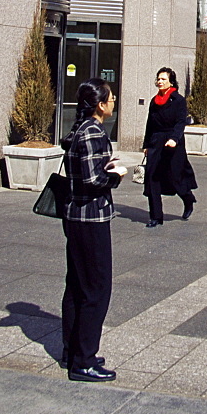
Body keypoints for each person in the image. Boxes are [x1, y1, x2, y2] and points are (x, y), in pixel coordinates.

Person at [61, 78, 127, 382]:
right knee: (96, 290)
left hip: (75, 217)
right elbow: (92, 181)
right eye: (111, 98)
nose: (114, 102)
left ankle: (73, 351)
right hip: (90, 219)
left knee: (77, 285)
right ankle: (83, 361)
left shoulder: (80, 129)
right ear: (100, 105)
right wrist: (116, 174)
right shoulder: (92, 132)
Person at [142, 68, 197, 228]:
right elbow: (149, 124)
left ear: (171, 82)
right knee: (152, 178)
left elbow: (181, 121)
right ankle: (155, 217)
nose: (160, 82)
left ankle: (188, 199)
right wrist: (146, 144)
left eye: (163, 79)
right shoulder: (154, 101)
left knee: (176, 176)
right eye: (158, 79)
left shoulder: (178, 100)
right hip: (156, 141)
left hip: (173, 142)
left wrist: (174, 138)